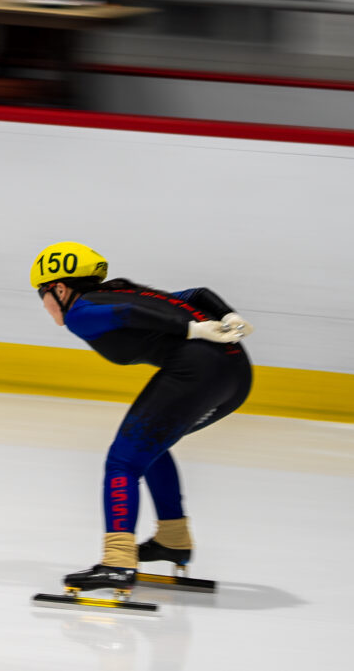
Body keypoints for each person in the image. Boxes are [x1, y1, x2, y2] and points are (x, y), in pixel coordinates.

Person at [29, 241, 253, 593]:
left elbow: (130, 314)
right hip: (236, 373)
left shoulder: (81, 311)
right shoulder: (123, 289)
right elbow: (197, 293)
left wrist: (192, 331)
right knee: (149, 449)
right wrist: (228, 316)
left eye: (40, 294)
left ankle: (117, 563)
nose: (43, 304)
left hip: (198, 371)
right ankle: (173, 539)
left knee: (123, 461)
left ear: (59, 287)